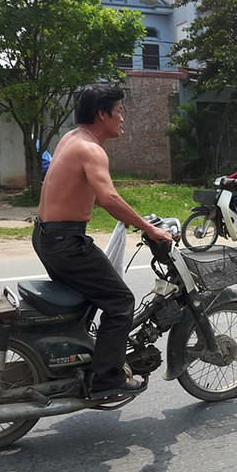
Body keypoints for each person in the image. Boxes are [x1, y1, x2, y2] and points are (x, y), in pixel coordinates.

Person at [32, 84, 172, 399]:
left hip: (46, 235)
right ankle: (107, 378)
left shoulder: (71, 138)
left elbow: (82, 192)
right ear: (102, 114)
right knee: (120, 302)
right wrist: (150, 229)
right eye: (120, 111)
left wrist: (130, 216)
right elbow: (108, 197)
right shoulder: (92, 149)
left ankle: (80, 361)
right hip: (66, 241)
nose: (123, 119)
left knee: (89, 298)